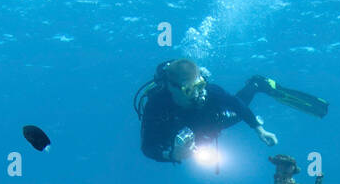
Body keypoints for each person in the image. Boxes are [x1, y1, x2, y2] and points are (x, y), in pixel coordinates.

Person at [135, 58, 328, 165]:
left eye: (200, 85)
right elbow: (148, 148)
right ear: (172, 87)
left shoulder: (210, 91)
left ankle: (256, 83)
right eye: (190, 90)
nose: (199, 93)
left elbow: (237, 104)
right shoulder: (156, 106)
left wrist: (259, 128)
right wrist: (172, 156)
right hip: (183, 132)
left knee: (237, 110)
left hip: (212, 119)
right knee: (219, 123)